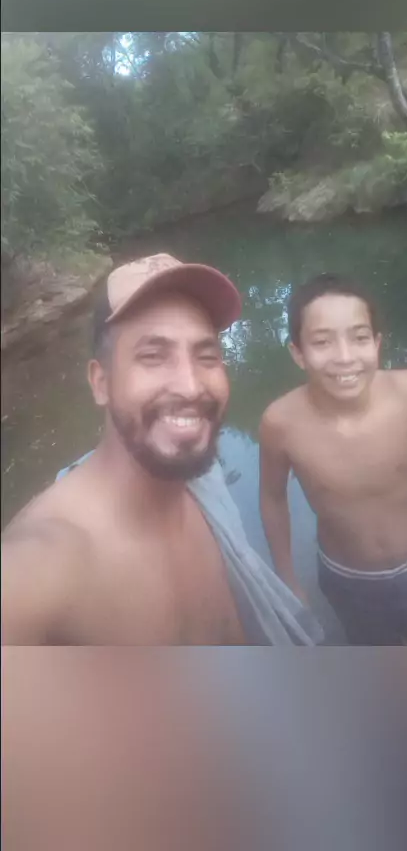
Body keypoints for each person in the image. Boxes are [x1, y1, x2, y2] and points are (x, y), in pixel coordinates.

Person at [1, 253, 323, 646]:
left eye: (206, 356)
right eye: (153, 356)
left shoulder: (201, 484)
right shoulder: (46, 562)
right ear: (100, 383)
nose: (190, 386)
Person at [259, 273, 407, 646]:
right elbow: (272, 498)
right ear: (298, 353)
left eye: (360, 337)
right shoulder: (280, 423)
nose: (345, 357)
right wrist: (286, 578)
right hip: (347, 580)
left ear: (377, 343)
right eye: (322, 341)